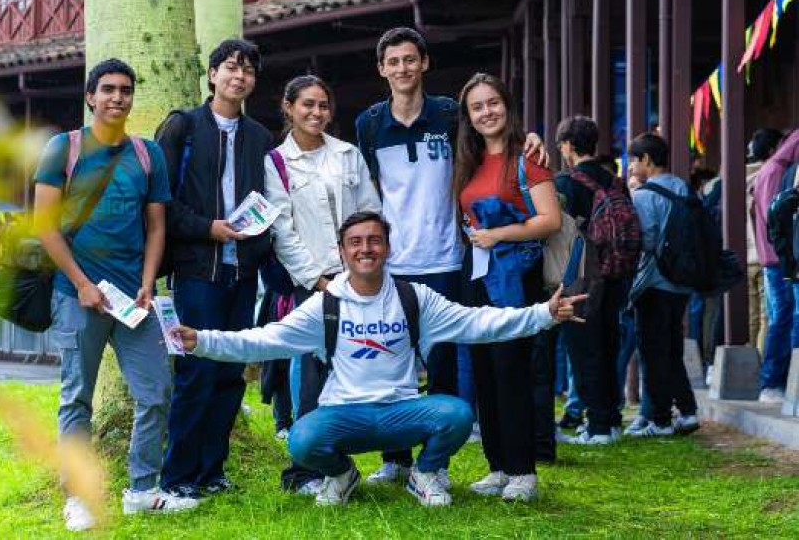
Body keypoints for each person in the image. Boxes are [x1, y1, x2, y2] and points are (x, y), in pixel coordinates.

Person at [172, 212, 586, 507]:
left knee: (456, 414)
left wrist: (543, 315)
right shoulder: (325, 305)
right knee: (302, 439)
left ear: (387, 247)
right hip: (344, 415)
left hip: (401, 414)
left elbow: (478, 322)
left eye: (373, 241)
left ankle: (424, 474)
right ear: (342, 251)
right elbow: (262, 341)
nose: (365, 249)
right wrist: (201, 341)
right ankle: (342, 474)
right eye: (355, 242)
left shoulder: (414, 298)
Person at [355, 26, 547, 486]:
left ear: (424, 64)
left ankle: (434, 465)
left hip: (448, 258)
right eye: (392, 61)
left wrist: (533, 138)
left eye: (409, 59)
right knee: (392, 362)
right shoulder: (369, 123)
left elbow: (492, 137)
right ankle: (395, 459)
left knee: (443, 365)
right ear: (382, 69)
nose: (402, 68)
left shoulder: (448, 115)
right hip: (394, 262)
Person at [34, 58, 196, 532]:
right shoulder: (61, 149)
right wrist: (82, 284)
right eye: (107, 89)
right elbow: (44, 225)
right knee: (76, 398)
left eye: (125, 90)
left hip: (134, 301)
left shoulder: (147, 155)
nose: (117, 98)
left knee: (156, 390)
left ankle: (143, 490)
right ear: (90, 96)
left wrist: (148, 283)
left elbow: (156, 225)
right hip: (76, 295)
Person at [155, 39, 273, 500]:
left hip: (243, 274)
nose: (238, 76)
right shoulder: (183, 126)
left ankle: (211, 471)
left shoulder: (260, 137)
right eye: (230, 68)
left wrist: (254, 239)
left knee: (229, 374)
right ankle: (178, 475)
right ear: (211, 75)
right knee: (196, 373)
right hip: (196, 270)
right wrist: (209, 228)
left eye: (247, 71)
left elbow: (268, 202)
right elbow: (161, 201)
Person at [264, 74, 381, 493]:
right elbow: (282, 228)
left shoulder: (348, 154)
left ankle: (348, 460)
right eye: (308, 105)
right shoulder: (276, 161)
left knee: (357, 368)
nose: (317, 113)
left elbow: (370, 211)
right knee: (311, 374)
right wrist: (316, 279)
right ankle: (306, 469)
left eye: (323, 105)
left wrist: (361, 268)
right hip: (310, 283)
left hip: (357, 277)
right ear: (289, 107)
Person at [454, 73, 561, 501]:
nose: (486, 112)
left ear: (507, 105)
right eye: (477, 107)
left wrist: (499, 235)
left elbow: (549, 220)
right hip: (477, 275)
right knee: (484, 372)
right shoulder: (471, 159)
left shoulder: (528, 156)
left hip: (515, 276)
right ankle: (497, 466)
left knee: (512, 371)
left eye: (492, 103)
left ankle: (523, 472)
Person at [553, 116, 637, 445]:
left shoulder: (564, 183)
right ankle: (611, 420)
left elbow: (557, 232)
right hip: (615, 274)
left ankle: (598, 426)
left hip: (581, 278)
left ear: (569, 146)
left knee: (584, 351)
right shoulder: (614, 181)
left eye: (561, 145)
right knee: (608, 346)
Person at [625, 132, 699, 436]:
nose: (630, 166)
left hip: (654, 283)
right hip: (681, 282)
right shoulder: (683, 187)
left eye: (633, 160)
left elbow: (647, 240)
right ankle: (689, 411)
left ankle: (660, 420)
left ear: (646, 160)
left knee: (653, 353)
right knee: (672, 349)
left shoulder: (643, 196)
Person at [753, 129, 799, 403]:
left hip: (776, 258)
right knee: (785, 319)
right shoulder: (777, 172)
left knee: (782, 318)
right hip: (779, 259)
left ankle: (778, 382)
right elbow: (778, 220)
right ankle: (773, 382)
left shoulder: (773, 170)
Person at [746, 129, 784, 358]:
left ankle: (750, 364)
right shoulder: (774, 174)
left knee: (751, 318)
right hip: (766, 255)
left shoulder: (734, 177)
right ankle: (762, 369)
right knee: (767, 317)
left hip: (744, 256)